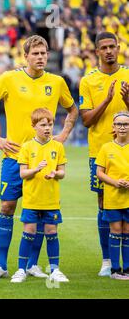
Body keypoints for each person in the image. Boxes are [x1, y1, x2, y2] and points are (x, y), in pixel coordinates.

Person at [0, 35, 78, 280]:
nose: (41, 57)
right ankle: (1, 266)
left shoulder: (57, 82)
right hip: (13, 156)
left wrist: (63, 134)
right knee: (7, 207)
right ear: (26, 56)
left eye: (44, 53)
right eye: (36, 53)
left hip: (43, 159)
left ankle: (32, 264)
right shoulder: (9, 79)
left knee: (40, 211)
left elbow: (73, 109)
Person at [79, 32, 129, 277]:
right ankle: (107, 260)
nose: (109, 51)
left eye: (112, 46)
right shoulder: (88, 81)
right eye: (104, 48)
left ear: (118, 48)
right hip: (100, 153)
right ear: (97, 51)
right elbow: (86, 120)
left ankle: (126, 262)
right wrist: (107, 101)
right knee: (104, 205)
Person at [10, 108, 69, 283]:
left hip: (51, 200)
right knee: (29, 231)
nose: (47, 128)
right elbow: (22, 174)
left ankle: (55, 270)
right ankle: (21, 270)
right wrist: (36, 169)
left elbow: (62, 172)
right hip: (32, 199)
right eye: (43, 125)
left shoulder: (58, 147)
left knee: (51, 232)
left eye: (50, 124)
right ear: (34, 126)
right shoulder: (27, 147)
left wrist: (54, 174)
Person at [96, 111, 129, 280]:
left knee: (127, 231)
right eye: (119, 124)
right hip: (113, 197)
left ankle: (128, 268)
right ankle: (115, 270)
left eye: (126, 124)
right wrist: (115, 182)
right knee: (116, 230)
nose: (123, 127)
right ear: (113, 127)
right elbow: (99, 172)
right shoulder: (106, 148)